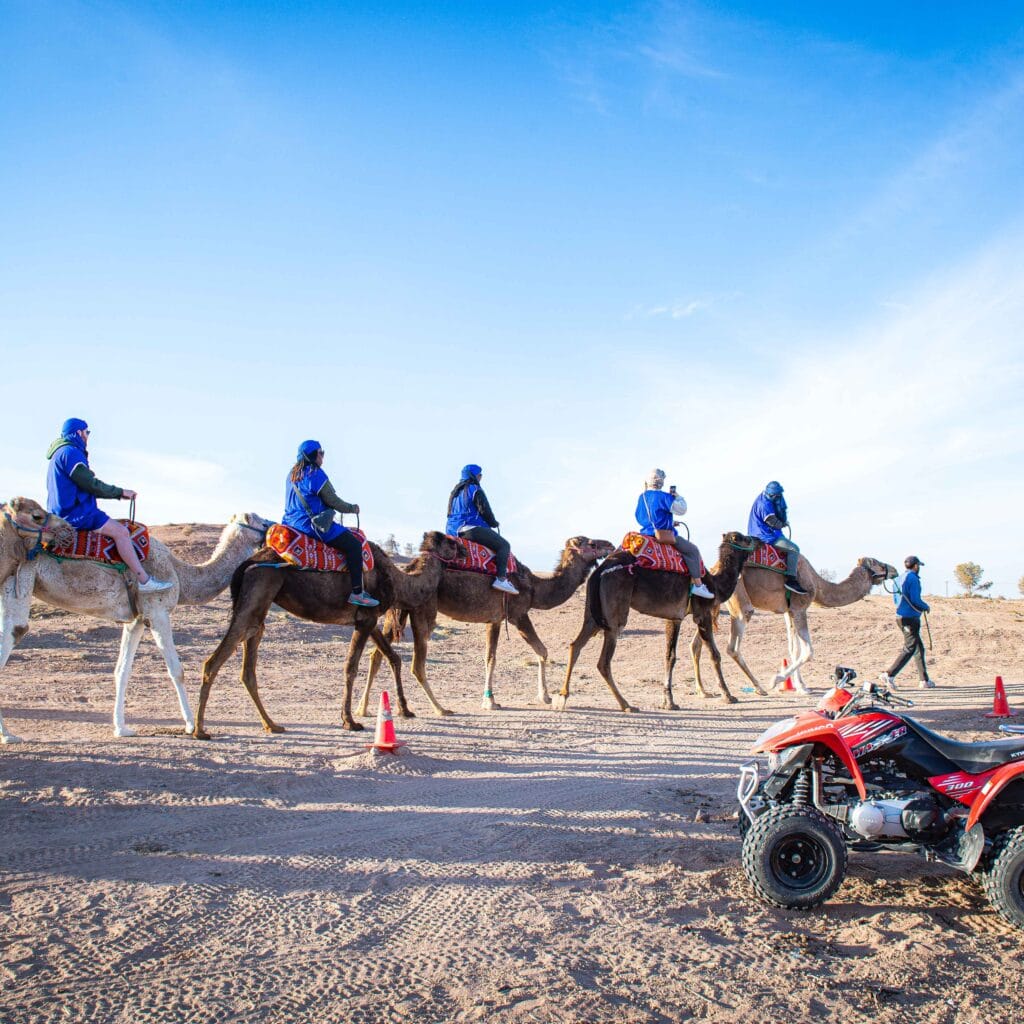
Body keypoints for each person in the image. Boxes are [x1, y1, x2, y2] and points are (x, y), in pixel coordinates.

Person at [45, 418, 172, 593]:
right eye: (86, 432)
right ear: (78, 433)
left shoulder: (59, 454)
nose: (87, 437)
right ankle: (144, 580)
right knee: (122, 532)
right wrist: (120, 492)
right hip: (77, 513)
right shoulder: (71, 453)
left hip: (60, 512)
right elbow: (90, 484)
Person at [282, 440, 378, 607]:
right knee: (354, 546)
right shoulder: (315, 473)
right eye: (321, 452)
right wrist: (352, 508)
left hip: (291, 524)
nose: (323, 456)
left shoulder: (291, 475)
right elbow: (333, 501)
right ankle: (357, 593)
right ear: (312, 455)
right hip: (312, 526)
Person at [635, 469, 714, 600]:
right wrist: (677, 495)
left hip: (645, 534)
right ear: (661, 482)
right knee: (692, 551)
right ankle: (698, 585)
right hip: (662, 535)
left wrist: (668, 522)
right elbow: (682, 509)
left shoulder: (641, 497)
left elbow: (640, 516)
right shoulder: (664, 497)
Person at [445, 464, 518, 595]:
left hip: (452, 529)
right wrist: (493, 523)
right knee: (504, 546)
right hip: (469, 527)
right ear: (474, 476)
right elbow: (485, 510)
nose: (481, 477)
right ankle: (501, 579)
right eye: (479, 474)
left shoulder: (454, 493)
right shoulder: (474, 489)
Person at [881, 555, 935, 690]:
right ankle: (889, 674)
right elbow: (916, 599)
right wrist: (925, 606)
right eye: (919, 566)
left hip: (900, 616)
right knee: (910, 647)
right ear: (916, 566)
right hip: (910, 617)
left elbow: (895, 599)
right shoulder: (913, 579)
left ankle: (924, 680)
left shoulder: (898, 579)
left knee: (918, 647)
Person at [747, 480, 808, 596]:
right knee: (794, 549)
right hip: (765, 536)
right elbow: (773, 522)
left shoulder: (763, 497)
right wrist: (783, 524)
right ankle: (791, 579)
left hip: (758, 532)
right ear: (772, 495)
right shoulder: (764, 505)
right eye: (776, 496)